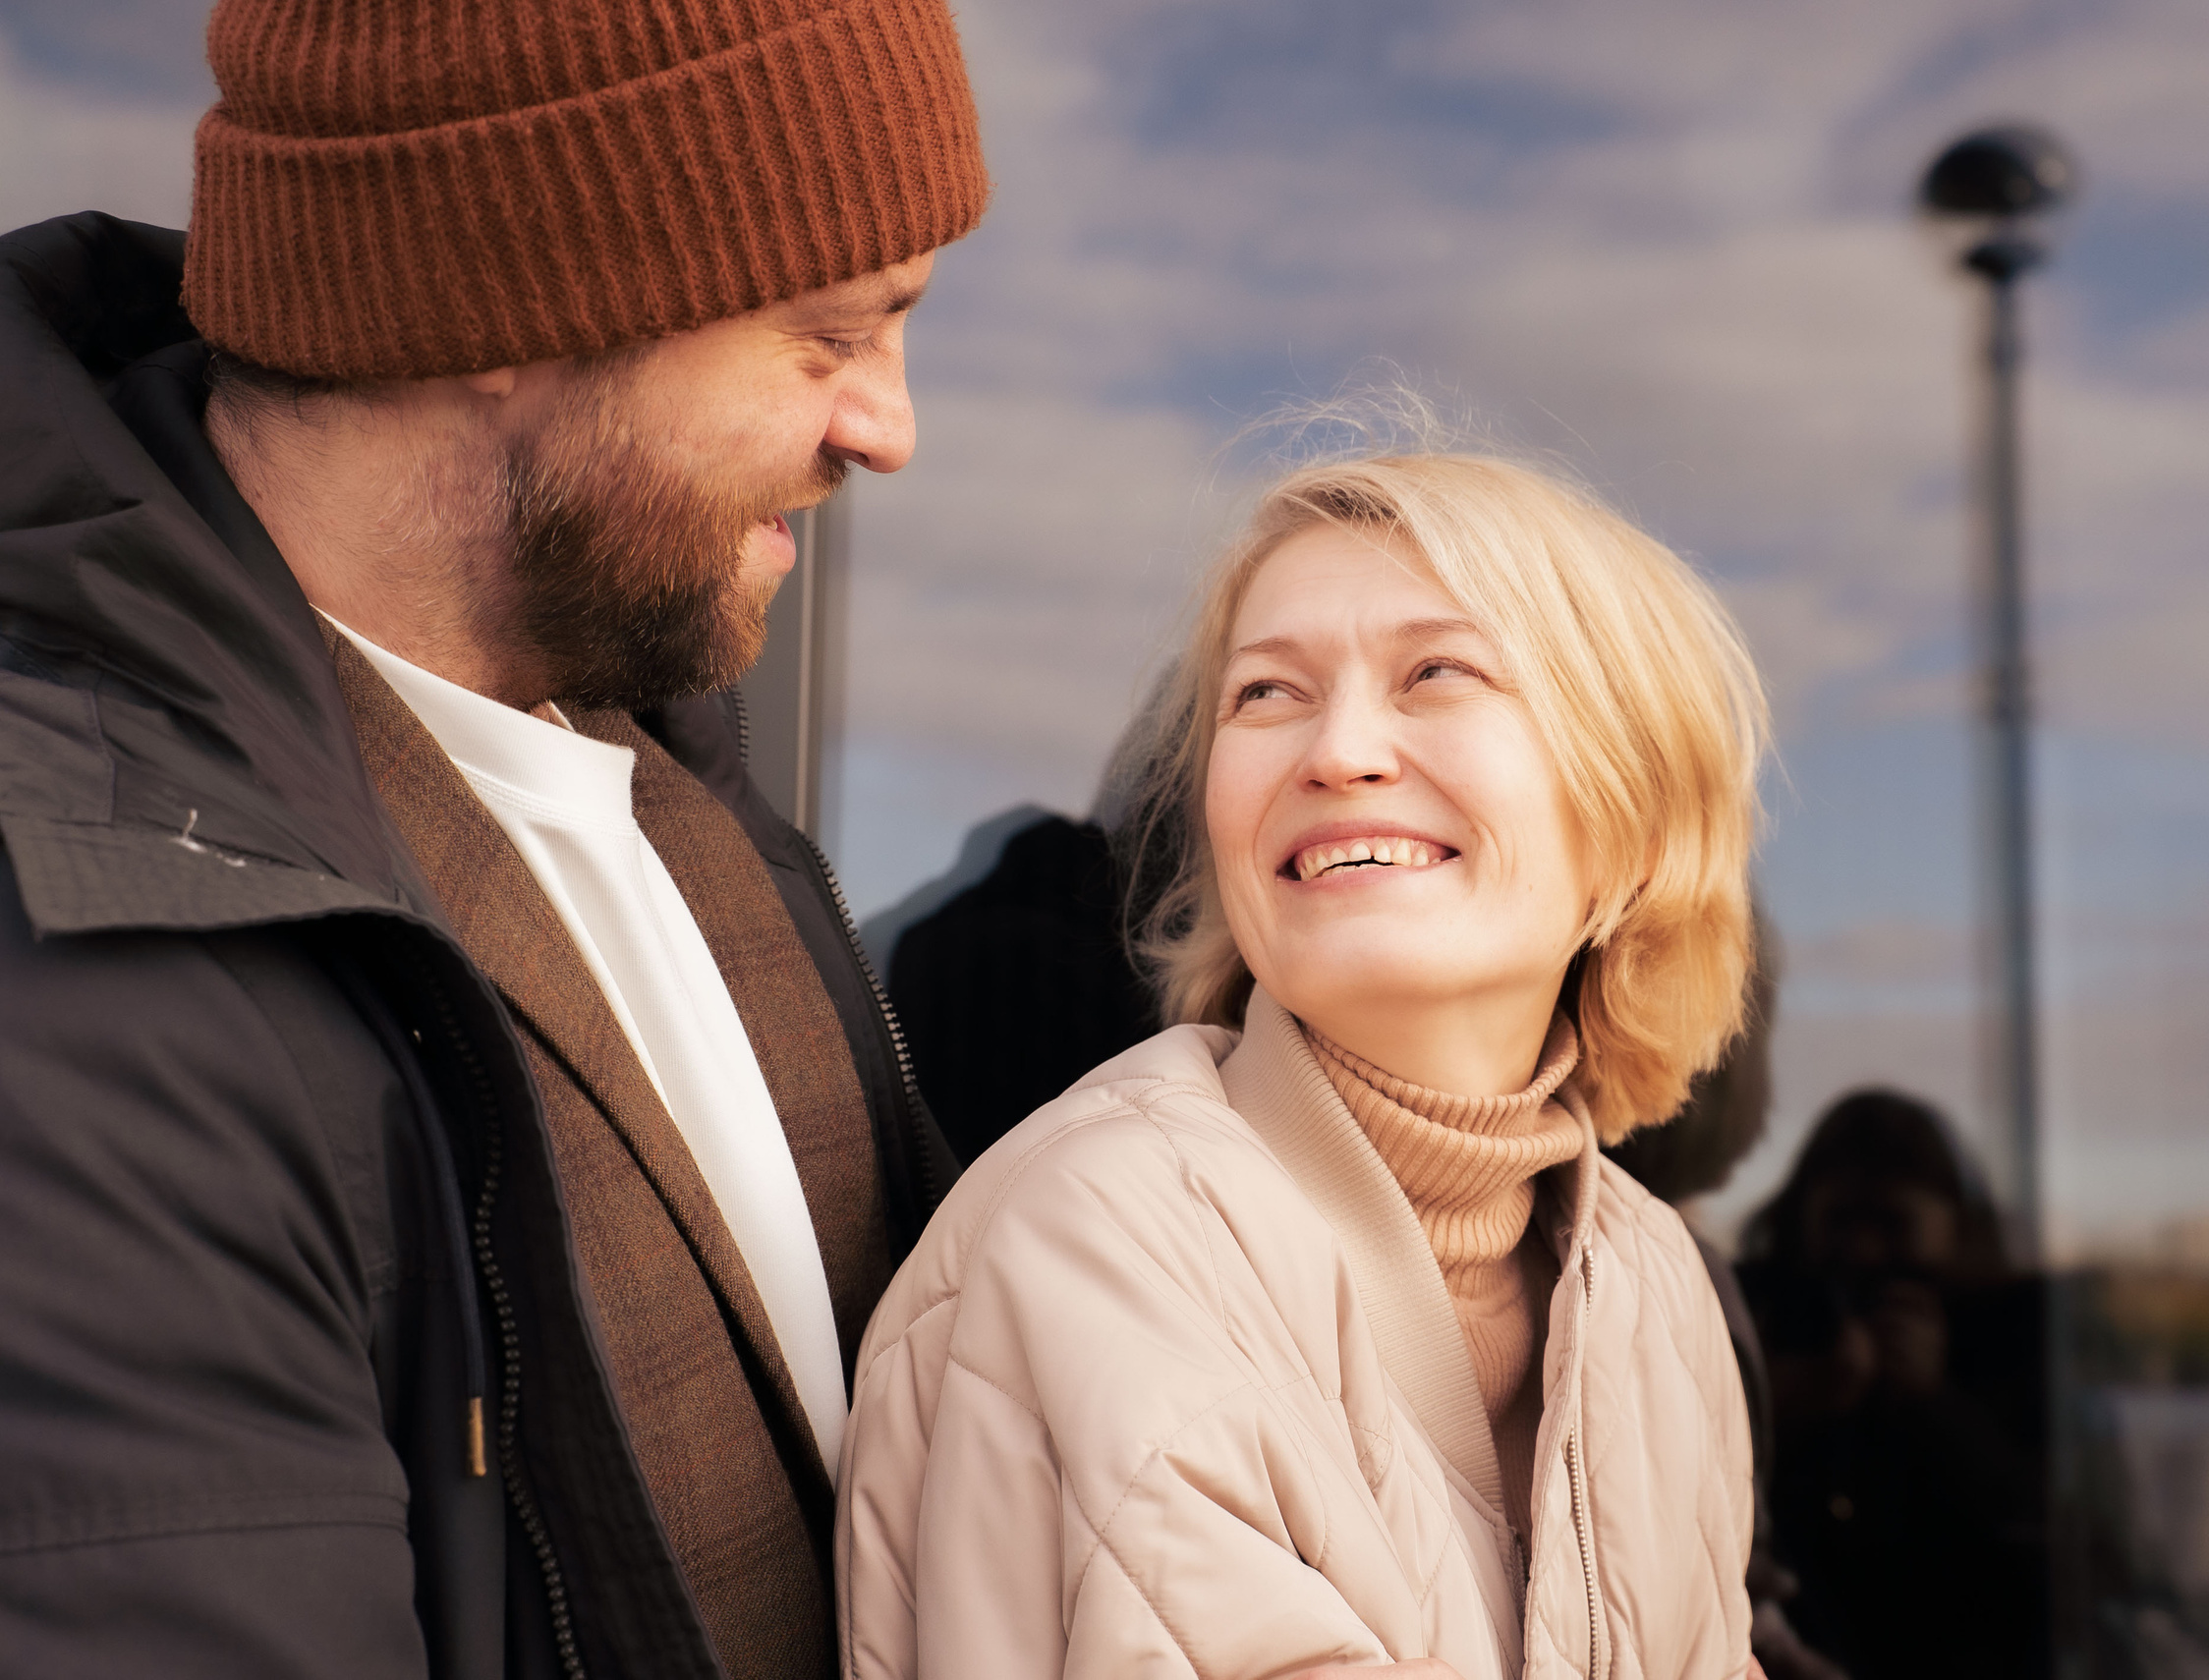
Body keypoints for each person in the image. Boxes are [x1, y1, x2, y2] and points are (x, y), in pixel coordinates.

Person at [0, 2, 984, 1675]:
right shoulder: (86, 971)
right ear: (515, 292)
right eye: (830, 337)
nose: (886, 428)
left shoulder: (663, 753)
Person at [839, 447, 1772, 1678]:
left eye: (1437, 672)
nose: (1336, 752)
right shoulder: (1107, 1231)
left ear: (1631, 822)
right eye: (1266, 695)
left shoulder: (1647, 1280)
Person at [1736, 1088, 2052, 1680]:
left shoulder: (2012, 1334)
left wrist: (1938, 1408)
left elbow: (2052, 1530)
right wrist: (1773, 1409)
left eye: (1892, 1225)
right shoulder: (1759, 1313)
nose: (1863, 1251)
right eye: (1843, 1224)